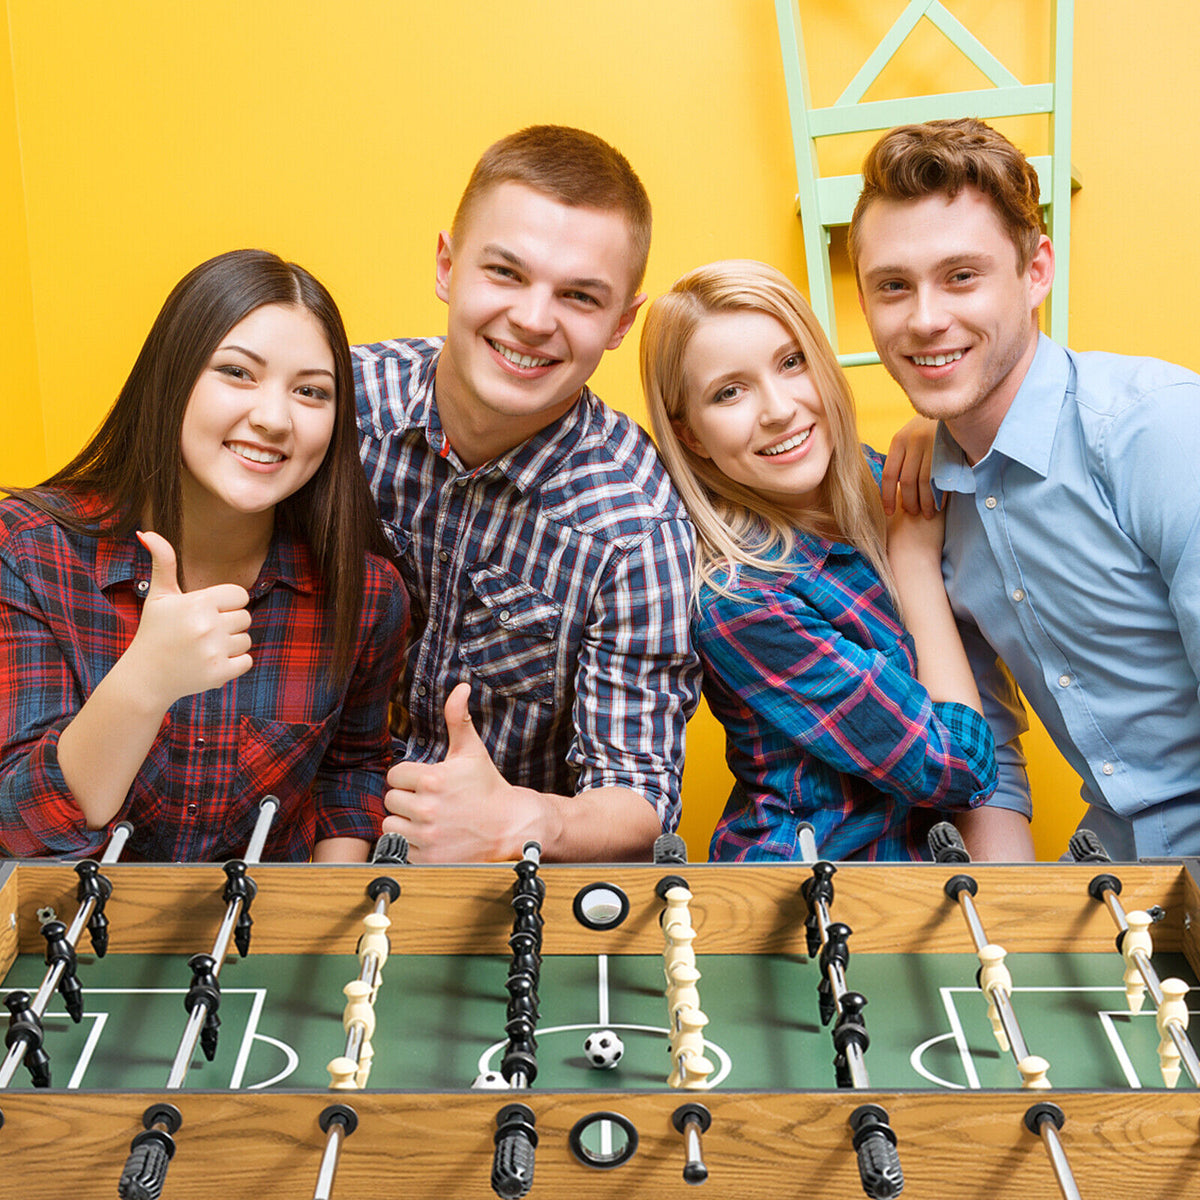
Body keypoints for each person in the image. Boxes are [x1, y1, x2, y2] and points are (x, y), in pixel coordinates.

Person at [851, 117, 1200, 860]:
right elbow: (991, 768)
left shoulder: (1157, 428)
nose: (924, 320)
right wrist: (1006, 933)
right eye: (892, 286)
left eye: (961, 276)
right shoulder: (926, 498)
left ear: (1036, 270)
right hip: (1113, 869)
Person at [354, 125, 701, 863]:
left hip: (495, 894)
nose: (534, 319)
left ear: (620, 324)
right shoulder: (335, 407)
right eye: (506, 273)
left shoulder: (638, 525)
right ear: (447, 266)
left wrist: (525, 820)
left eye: (579, 295)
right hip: (293, 852)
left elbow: (638, 792)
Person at [0, 249, 409, 862]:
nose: (273, 418)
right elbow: (20, 832)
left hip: (260, 943)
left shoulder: (367, 594)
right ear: (172, 376)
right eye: (238, 373)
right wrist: (144, 682)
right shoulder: (29, 551)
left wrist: (323, 929)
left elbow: (347, 777)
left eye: (310, 392)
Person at [639, 259, 1000, 861]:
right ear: (692, 436)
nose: (778, 409)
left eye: (791, 362)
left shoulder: (891, 481)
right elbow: (959, 769)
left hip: (931, 886)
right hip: (815, 896)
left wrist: (936, 426)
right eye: (729, 392)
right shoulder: (741, 598)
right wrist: (911, 564)